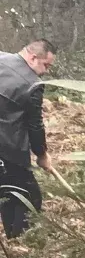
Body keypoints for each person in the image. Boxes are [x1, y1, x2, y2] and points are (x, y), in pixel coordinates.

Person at [0, 39, 56, 238]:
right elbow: (35, 124)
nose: (46, 71)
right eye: (46, 65)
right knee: (30, 197)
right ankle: (23, 245)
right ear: (33, 57)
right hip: (9, 149)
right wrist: (42, 155)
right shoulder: (33, 84)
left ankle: (13, 239)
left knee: (7, 194)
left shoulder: (1, 57)